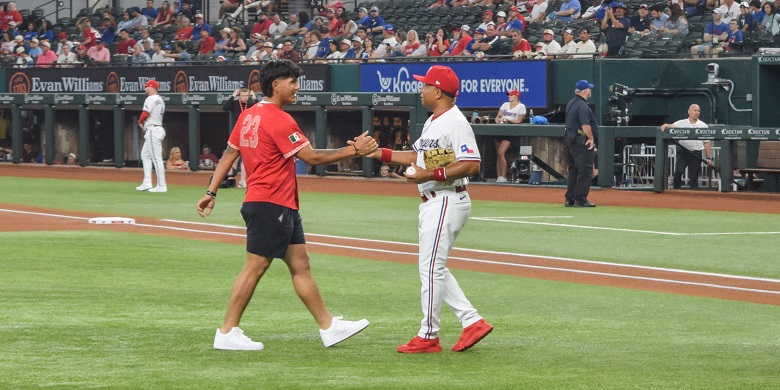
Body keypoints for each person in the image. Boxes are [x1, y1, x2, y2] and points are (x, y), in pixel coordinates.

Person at [195, 60, 374, 351]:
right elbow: (311, 157)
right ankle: (227, 331)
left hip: (277, 203)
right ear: (275, 85)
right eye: (292, 81)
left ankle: (328, 327)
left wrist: (211, 191)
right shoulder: (279, 119)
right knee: (254, 267)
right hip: (270, 202)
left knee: (300, 265)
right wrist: (354, 149)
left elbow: (229, 154)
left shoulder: (249, 116)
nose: (297, 86)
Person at [366, 65, 493, 354]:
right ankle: (472, 321)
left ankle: (428, 335)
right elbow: (415, 156)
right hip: (436, 200)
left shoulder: (456, 122)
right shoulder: (433, 120)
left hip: (447, 197)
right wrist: (377, 152)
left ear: (437, 91)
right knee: (432, 266)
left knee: (431, 268)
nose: (421, 89)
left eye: (424, 86)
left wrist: (430, 176)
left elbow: (472, 163)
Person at [660, 104, 712, 189]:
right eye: (695, 110)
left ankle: (693, 196)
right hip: (683, 152)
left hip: (696, 153)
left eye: (698, 111)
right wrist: (665, 125)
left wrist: (708, 158)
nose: (697, 112)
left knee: (694, 176)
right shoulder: (681, 122)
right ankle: (676, 192)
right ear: (689, 111)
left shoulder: (703, 126)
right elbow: (672, 126)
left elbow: (707, 143)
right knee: (678, 172)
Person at [564, 80, 598, 207]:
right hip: (580, 140)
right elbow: (585, 125)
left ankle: (570, 198)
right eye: (589, 89)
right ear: (585, 91)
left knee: (574, 170)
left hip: (570, 139)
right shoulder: (582, 105)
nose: (590, 91)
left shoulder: (572, 103)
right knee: (585, 170)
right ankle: (580, 199)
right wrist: (591, 138)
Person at [136, 80, 168, 193]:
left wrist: (140, 122)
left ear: (151, 87)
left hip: (153, 130)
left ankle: (162, 185)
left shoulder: (151, 98)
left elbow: (145, 113)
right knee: (145, 155)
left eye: (147, 87)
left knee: (156, 158)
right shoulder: (160, 100)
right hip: (157, 128)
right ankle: (147, 182)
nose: (145, 89)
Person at [494, 89, 527, 182]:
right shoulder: (505, 104)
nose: (509, 96)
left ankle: (503, 176)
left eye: (511, 95)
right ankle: (499, 176)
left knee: (501, 152)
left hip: (510, 132)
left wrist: (508, 120)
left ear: (516, 96)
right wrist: (498, 120)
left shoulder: (521, 106)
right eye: (509, 95)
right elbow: (498, 116)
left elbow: (519, 121)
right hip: (500, 130)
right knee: (498, 154)